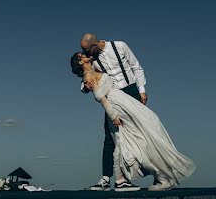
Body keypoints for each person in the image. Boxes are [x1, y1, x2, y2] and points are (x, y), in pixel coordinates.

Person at [71, 52, 196, 191]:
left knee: (149, 124)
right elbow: (101, 98)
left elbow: (87, 87)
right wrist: (113, 116)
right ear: (81, 62)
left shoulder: (94, 68)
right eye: (82, 55)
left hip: (124, 101)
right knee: (129, 141)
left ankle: (161, 175)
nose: (86, 54)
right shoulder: (88, 76)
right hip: (116, 105)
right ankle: (135, 178)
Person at [80, 33, 147, 191]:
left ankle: (155, 174)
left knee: (142, 132)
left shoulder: (120, 46)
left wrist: (142, 91)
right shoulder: (93, 60)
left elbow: (136, 67)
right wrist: (85, 87)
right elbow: (87, 79)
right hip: (112, 97)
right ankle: (105, 179)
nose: (87, 54)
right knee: (109, 138)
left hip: (131, 91)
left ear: (95, 45)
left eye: (88, 50)